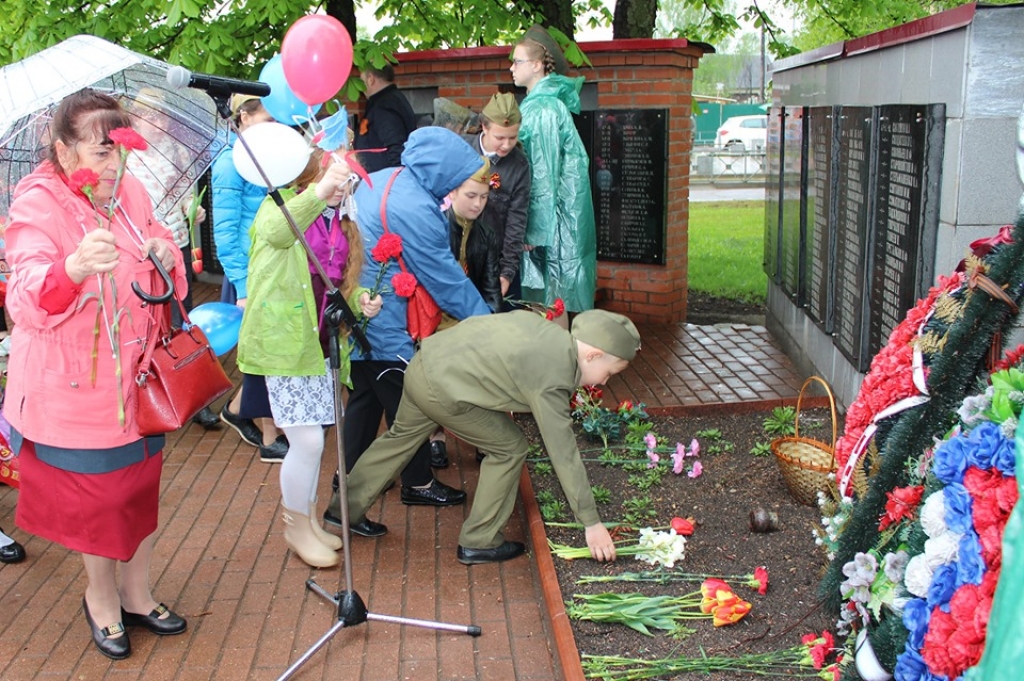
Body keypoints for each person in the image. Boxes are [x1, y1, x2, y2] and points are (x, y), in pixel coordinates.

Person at [3, 89, 189, 659]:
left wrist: (167, 257)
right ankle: (101, 598)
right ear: (62, 151)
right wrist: (74, 267)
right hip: (75, 390)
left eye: (120, 149)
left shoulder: (130, 190)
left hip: (139, 383)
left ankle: (137, 592)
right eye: (100, 151)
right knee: (101, 505)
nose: (114, 163)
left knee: (139, 492)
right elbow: (26, 297)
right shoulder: (37, 204)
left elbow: (164, 283)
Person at [344, 309, 640, 564]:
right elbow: (563, 452)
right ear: (593, 355)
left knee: (399, 439)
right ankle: (479, 540)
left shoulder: (546, 331)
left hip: (424, 365)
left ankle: (343, 510)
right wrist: (591, 522)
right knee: (510, 448)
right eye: (609, 372)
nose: (604, 381)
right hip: (444, 390)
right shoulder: (553, 373)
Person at [324, 127, 493, 532]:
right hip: (384, 316)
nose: (457, 185)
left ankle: (346, 477)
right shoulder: (416, 207)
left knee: (365, 395)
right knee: (409, 400)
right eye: (457, 176)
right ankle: (414, 482)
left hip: (357, 304)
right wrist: (490, 325)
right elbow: (444, 277)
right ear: (443, 171)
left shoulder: (387, 178)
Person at [237, 150, 381, 568]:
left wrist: (361, 300)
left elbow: (334, 283)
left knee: (315, 443)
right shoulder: (277, 205)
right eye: (336, 179)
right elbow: (277, 233)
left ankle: (308, 520)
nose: (342, 189)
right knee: (309, 441)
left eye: (346, 182)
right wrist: (320, 191)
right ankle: (295, 527)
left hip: (319, 346)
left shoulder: (340, 222)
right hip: (284, 344)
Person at [210, 94, 287, 461]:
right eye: (269, 119)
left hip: (270, 265)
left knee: (268, 349)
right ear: (244, 116)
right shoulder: (229, 163)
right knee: (264, 354)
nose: (276, 126)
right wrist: (241, 284)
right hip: (248, 273)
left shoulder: (266, 154)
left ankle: (238, 410)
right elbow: (224, 234)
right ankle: (271, 437)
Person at [511, 25, 598, 326]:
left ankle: (560, 371)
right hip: (556, 223)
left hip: (552, 228)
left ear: (536, 65)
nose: (511, 68)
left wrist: (532, 230)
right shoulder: (544, 104)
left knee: (550, 302)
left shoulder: (544, 109)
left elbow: (543, 174)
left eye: (517, 61)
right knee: (550, 300)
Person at [428, 159, 502, 469]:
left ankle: (484, 437)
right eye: (471, 195)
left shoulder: (486, 234)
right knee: (435, 379)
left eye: (483, 197)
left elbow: (491, 286)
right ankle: (435, 437)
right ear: (454, 192)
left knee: (487, 370)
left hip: (470, 318)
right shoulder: (436, 226)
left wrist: (492, 325)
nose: (477, 203)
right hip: (435, 319)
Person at [462, 92, 532, 303]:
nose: (506, 144)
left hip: (496, 260)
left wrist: (507, 272)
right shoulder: (461, 149)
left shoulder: (519, 166)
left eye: (513, 137)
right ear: (484, 127)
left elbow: (516, 221)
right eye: (500, 138)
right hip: (459, 257)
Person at [353, 64, 417, 174]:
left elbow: (396, 150)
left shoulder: (384, 106)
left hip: (384, 185)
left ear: (370, 79)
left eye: (361, 79)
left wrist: (393, 184)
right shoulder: (390, 99)